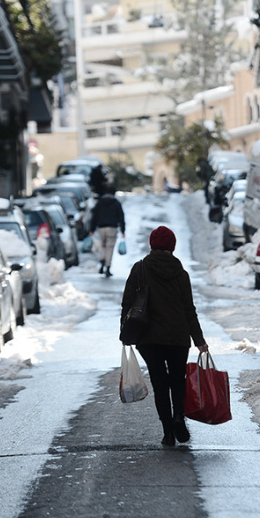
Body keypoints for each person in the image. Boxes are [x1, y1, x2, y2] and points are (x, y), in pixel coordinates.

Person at [122, 226, 209, 447]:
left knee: (160, 383)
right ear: (172, 246)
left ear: (152, 245)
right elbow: (189, 310)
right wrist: (199, 340)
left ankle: (168, 431)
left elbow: (127, 303)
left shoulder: (140, 269)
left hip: (148, 338)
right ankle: (179, 415)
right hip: (178, 337)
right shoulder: (181, 274)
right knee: (178, 380)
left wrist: (126, 332)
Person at [88, 188, 125, 277]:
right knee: (110, 247)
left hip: (101, 228)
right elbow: (121, 217)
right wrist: (123, 230)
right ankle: (107, 267)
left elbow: (94, 216)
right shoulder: (116, 203)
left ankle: (102, 263)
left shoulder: (100, 203)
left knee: (103, 245)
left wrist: (92, 229)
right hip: (112, 228)